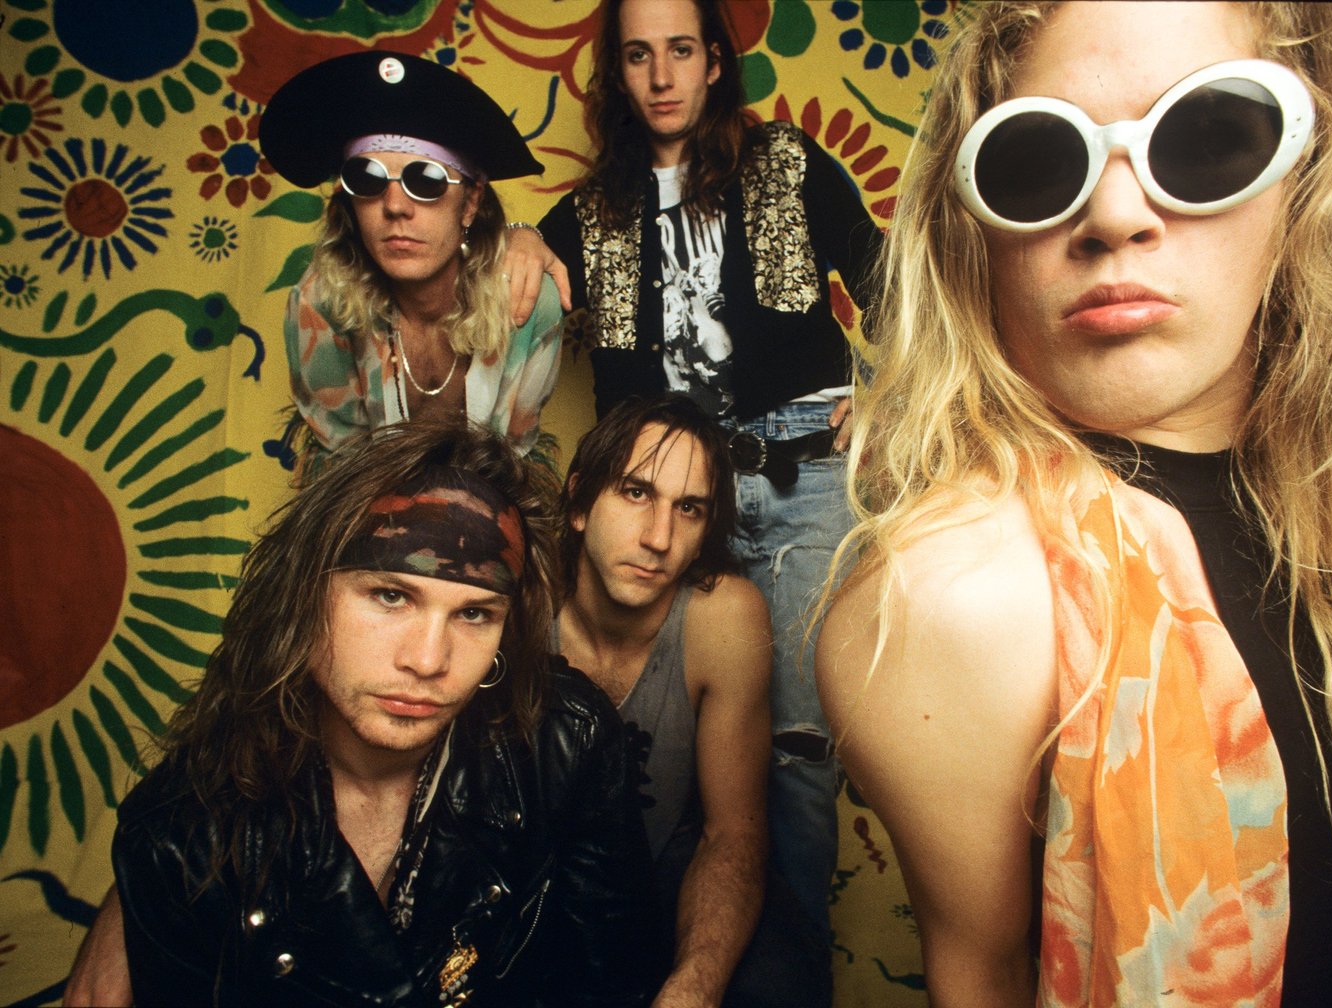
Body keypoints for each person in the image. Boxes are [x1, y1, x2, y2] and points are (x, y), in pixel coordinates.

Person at [817, 3, 1332, 1006]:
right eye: (1038, 160)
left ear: (1307, 186)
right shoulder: (958, 596)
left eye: (1207, 136)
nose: (1113, 214)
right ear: (976, 233)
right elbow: (983, 975)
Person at [71, 418, 668, 1005]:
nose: (428, 660)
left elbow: (613, 986)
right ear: (304, 596)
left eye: (474, 614)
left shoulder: (568, 743)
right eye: (391, 596)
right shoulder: (182, 835)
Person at [530, 0, 885, 954]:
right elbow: (506, 318)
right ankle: (648, 968)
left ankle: (781, 983)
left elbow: (897, 289)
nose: (661, 77)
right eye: (638, 56)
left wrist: (897, 395)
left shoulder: (786, 164)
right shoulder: (590, 211)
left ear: (716, 61)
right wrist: (512, 239)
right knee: (653, 744)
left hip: (803, 477)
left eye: (680, 50)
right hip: (669, 494)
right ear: (617, 73)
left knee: (798, 749)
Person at [556, 395, 829, 1006]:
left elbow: (731, 833)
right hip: (537, 883)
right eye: (635, 493)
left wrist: (694, 988)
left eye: (689, 508)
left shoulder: (722, 618)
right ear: (578, 503)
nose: (659, 538)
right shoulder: (516, 605)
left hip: (664, 868)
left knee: (779, 979)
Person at [258, 50, 570, 472]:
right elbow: (340, 468)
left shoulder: (527, 301)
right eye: (367, 179)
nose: (394, 206)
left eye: (425, 181)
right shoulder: (321, 302)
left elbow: (514, 463)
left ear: (470, 203)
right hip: (361, 504)